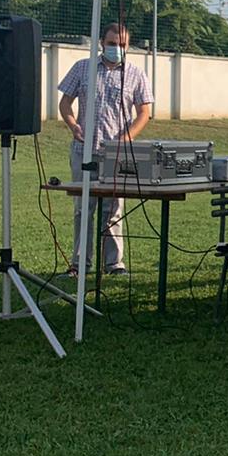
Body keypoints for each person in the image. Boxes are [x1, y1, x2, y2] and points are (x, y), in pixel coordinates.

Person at [57, 22, 153, 275]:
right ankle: (80, 263)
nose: (117, 49)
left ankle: (113, 263)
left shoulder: (135, 73)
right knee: (82, 209)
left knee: (113, 209)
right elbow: (65, 102)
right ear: (101, 42)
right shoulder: (83, 68)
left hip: (116, 154)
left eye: (122, 45)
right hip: (83, 151)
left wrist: (127, 138)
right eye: (112, 44)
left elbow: (144, 112)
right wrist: (72, 125)